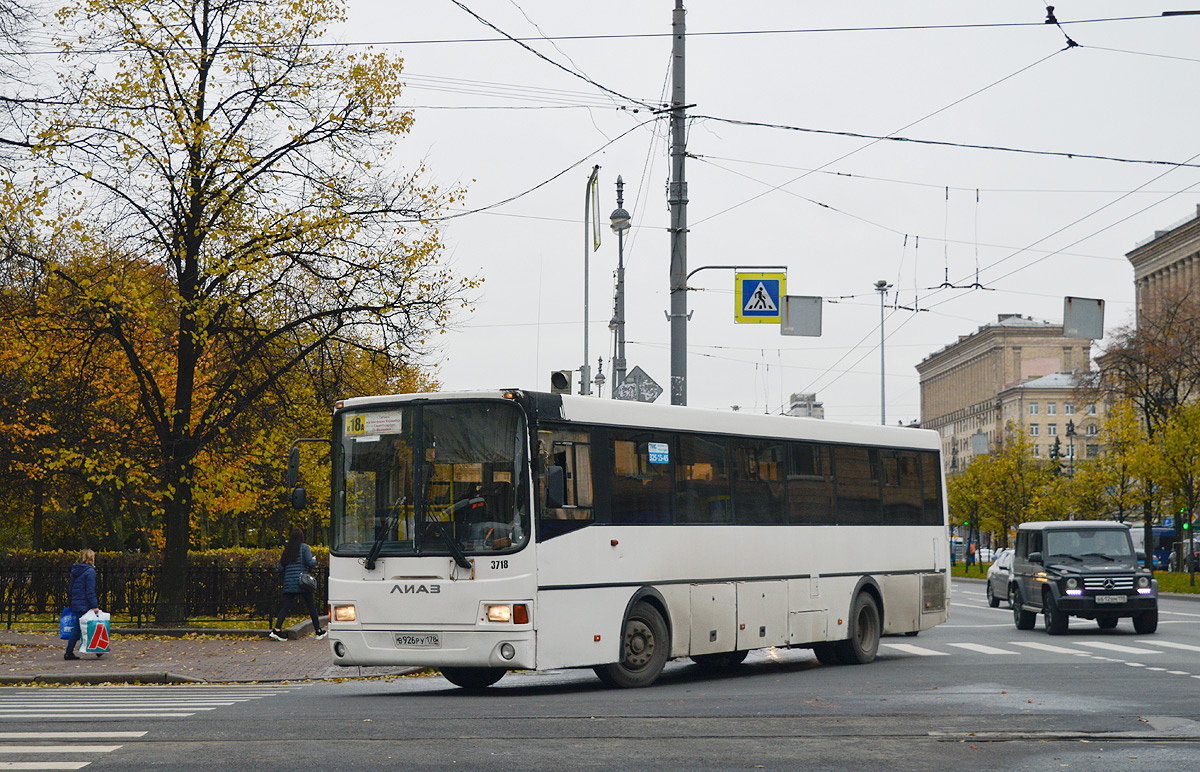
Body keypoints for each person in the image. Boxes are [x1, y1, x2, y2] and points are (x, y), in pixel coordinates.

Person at [269, 527, 327, 641]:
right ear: (302, 537)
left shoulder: (287, 550)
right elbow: (310, 562)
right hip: (302, 583)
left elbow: (281, 567)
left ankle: (276, 629)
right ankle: (318, 631)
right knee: (311, 607)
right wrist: (314, 560)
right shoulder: (304, 548)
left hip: (289, 583)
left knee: (285, 607)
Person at [65, 548, 102, 660]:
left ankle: (70, 651)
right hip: (85, 603)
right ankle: (97, 649)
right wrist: (94, 606)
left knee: (80, 628)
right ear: (91, 558)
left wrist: (72, 601)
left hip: (77, 602)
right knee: (86, 627)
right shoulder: (90, 572)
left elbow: (71, 589)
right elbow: (90, 591)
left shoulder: (76, 570)